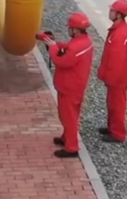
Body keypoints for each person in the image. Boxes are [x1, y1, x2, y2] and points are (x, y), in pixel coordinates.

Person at [40, 12, 95, 159]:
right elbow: (68, 49)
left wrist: (53, 48)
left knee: (68, 117)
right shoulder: (84, 41)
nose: (68, 30)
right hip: (76, 85)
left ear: (75, 29)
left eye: (70, 28)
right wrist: (54, 43)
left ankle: (71, 147)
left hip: (69, 87)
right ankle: (66, 137)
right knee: (71, 115)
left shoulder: (76, 47)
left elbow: (61, 61)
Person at [97, 0, 127, 143]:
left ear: (119, 14)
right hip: (117, 77)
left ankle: (118, 134)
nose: (110, 12)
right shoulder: (119, 29)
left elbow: (116, 60)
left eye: (112, 10)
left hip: (117, 78)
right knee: (112, 103)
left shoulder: (119, 34)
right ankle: (112, 127)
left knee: (117, 105)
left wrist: (110, 78)